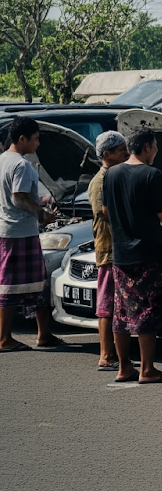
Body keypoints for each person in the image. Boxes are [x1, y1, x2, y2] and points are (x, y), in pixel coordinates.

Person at [106, 129, 162, 384]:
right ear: (147, 147)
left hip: (121, 252)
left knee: (122, 311)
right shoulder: (153, 175)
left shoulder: (111, 174)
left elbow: (105, 209)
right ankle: (147, 369)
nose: (156, 151)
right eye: (156, 146)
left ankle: (124, 366)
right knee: (147, 310)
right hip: (148, 252)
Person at [0, 118, 63, 352]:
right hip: (20, 232)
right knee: (10, 286)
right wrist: (42, 214)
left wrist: (41, 199)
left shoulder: (3, 161)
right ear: (22, 139)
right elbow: (18, 197)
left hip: (7, 230)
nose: (38, 143)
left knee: (37, 282)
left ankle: (43, 334)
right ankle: (5, 338)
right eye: (35, 139)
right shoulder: (20, 165)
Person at [88, 130, 131, 368]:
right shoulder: (101, 180)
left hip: (118, 247)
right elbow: (103, 213)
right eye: (122, 150)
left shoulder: (114, 175)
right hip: (109, 248)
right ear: (108, 154)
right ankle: (106, 354)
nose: (126, 153)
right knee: (107, 305)